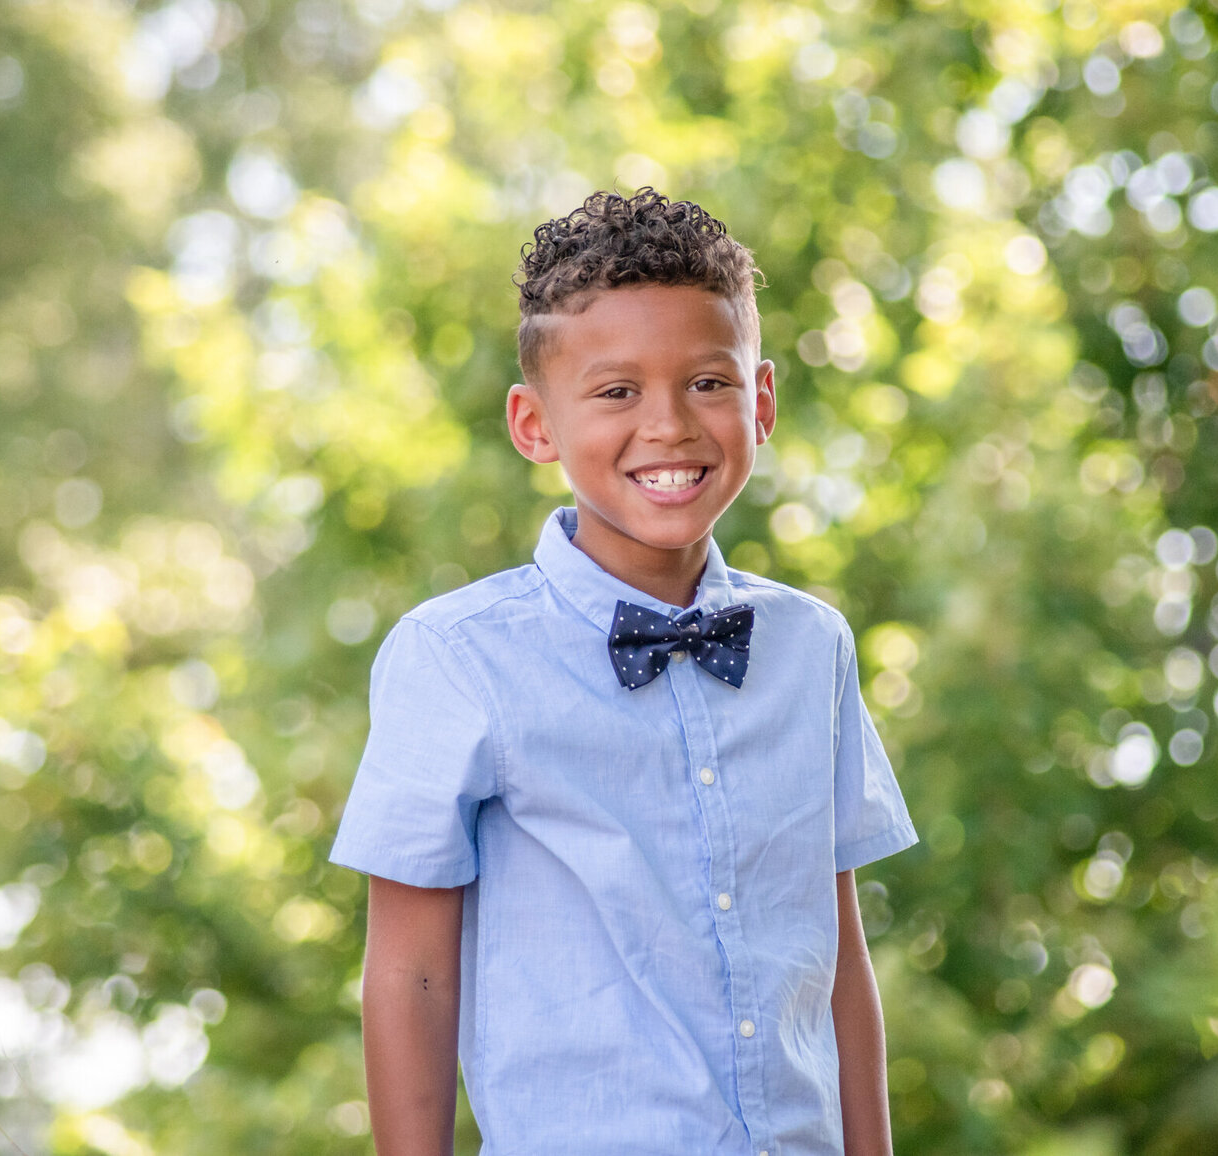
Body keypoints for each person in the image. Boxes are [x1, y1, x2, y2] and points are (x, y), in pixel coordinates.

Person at [329, 188, 918, 1156]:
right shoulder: (456, 657)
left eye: (707, 383)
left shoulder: (814, 648)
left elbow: (838, 956)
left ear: (761, 400)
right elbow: (410, 974)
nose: (669, 426)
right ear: (534, 424)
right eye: (615, 392)